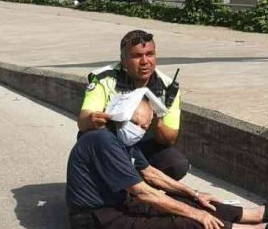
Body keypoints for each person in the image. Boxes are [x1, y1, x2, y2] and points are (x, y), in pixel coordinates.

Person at [66, 88, 268, 229]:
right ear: (120, 116)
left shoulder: (121, 140)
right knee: (183, 221)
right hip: (95, 219)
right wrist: (197, 214)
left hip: (117, 202)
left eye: (144, 127)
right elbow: (143, 191)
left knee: (190, 202)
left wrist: (193, 195)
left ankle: (261, 214)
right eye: (135, 123)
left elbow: (151, 173)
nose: (139, 130)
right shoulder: (103, 141)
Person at [78, 29, 189, 180]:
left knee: (177, 164)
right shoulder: (104, 79)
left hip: (143, 144)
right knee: (88, 135)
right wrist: (93, 119)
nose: (145, 61)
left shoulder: (168, 87)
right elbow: (83, 121)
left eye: (149, 54)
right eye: (136, 56)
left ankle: (143, 192)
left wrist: (154, 118)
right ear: (123, 60)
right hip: (109, 143)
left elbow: (169, 138)